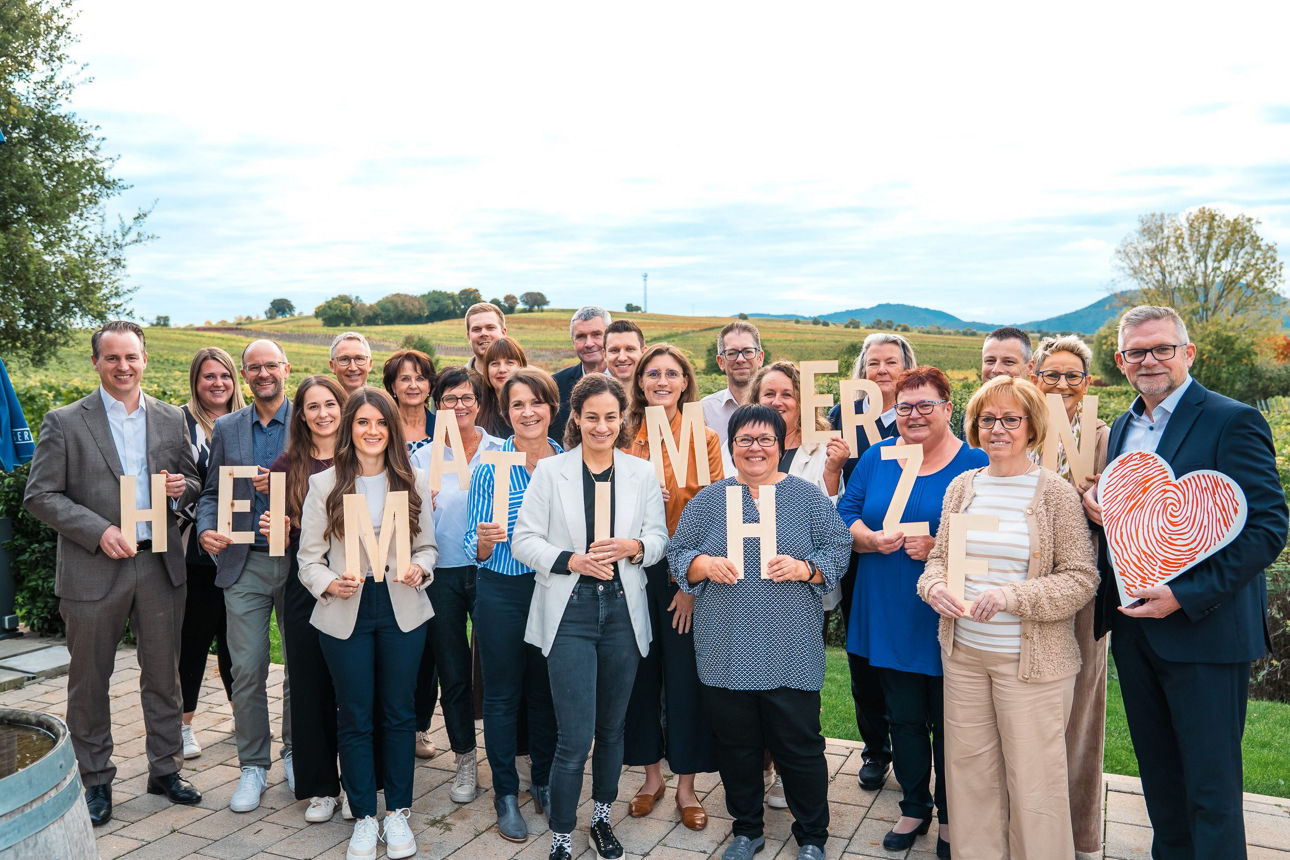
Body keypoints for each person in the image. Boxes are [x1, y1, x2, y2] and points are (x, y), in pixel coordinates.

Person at [1082, 306, 1287, 859]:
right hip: (1135, 632)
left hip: (1206, 633)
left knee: (1211, 791)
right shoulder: (1125, 426)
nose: (1149, 360)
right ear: (1121, 362)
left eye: (1162, 348)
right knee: (1161, 786)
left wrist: (1184, 596)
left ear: (1187, 353)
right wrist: (1105, 511)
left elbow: (1268, 528)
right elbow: (1144, 519)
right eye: (1136, 352)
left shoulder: (1232, 420)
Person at [24, 320, 203, 827]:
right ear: (96, 361)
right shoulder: (65, 421)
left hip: (158, 564)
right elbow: (40, 496)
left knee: (164, 675)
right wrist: (98, 530)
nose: (123, 366)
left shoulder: (171, 418)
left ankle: (165, 770)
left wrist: (181, 490)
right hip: (93, 568)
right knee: (89, 679)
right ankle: (96, 778)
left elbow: (191, 480)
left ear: (145, 359)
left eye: (132, 357)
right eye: (113, 358)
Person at [918, 375, 1099, 860]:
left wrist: (1011, 596)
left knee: (1035, 785)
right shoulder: (962, 486)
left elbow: (1082, 578)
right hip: (964, 657)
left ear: (1032, 426)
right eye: (987, 419)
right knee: (970, 776)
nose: (997, 428)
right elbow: (940, 558)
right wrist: (934, 586)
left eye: (1010, 419)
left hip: (1031, 664)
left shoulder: (1054, 493)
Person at [668, 404, 852, 860]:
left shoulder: (807, 498)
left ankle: (812, 836)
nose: (755, 448)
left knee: (801, 749)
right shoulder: (709, 501)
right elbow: (677, 553)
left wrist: (807, 568)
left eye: (765, 439)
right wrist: (702, 564)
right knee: (737, 748)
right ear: (731, 447)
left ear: (779, 445)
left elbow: (840, 547)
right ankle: (746, 829)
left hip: (790, 646)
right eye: (745, 440)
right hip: (726, 647)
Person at [513, 374, 670, 860]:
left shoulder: (641, 472)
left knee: (614, 729)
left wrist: (636, 546)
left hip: (623, 610)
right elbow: (524, 541)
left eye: (611, 417)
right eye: (592, 417)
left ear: (622, 419)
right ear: (575, 418)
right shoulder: (550, 471)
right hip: (570, 612)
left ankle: (601, 819)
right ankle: (563, 832)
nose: (601, 426)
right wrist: (571, 560)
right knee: (575, 736)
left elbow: (660, 540)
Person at [838, 366, 987, 857]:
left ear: (948, 408)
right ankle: (914, 805)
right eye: (905, 407)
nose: (915, 415)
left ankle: (952, 814)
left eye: (926, 405)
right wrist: (869, 538)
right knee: (901, 717)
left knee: (951, 723)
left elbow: (993, 535)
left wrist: (942, 544)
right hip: (886, 604)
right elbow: (846, 514)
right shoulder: (879, 458)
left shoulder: (977, 463)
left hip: (946, 612)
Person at [297, 387, 437, 860]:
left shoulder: (413, 480)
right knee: (353, 714)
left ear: (392, 428)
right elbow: (307, 559)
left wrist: (421, 568)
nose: (372, 431)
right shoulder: (325, 484)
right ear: (349, 429)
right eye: (362, 422)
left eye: (381, 422)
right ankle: (362, 815)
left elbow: (428, 548)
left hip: (402, 607)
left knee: (399, 712)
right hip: (346, 609)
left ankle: (397, 811)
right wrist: (329, 583)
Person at [623, 344, 725, 831]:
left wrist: (687, 582)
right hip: (633, 575)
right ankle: (650, 778)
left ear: (685, 382)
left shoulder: (703, 439)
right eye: (652, 373)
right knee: (642, 679)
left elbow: (713, 514)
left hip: (684, 577)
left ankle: (686, 786)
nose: (662, 380)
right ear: (640, 383)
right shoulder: (624, 439)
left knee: (685, 682)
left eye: (672, 373)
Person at [195, 339, 295, 812]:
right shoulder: (228, 426)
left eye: (270, 365)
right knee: (248, 667)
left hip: (299, 562)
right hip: (245, 561)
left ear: (285, 368)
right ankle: (253, 766)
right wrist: (206, 527)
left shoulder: (312, 416)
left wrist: (280, 490)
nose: (262, 374)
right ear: (245, 374)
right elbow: (213, 490)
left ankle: (298, 753)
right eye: (253, 367)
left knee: (303, 666)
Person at [464, 368, 562, 842]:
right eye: (518, 405)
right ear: (506, 412)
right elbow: (470, 544)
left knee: (544, 691)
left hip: (552, 589)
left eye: (537, 403)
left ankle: (542, 779)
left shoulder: (569, 462)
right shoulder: (489, 466)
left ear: (552, 408)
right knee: (502, 695)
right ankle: (505, 791)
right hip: (501, 589)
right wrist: (483, 543)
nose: (528, 412)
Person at [1030, 334, 1110, 859]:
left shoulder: (1107, 437)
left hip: (1083, 586)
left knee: (1080, 711)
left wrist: (1102, 498)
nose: (1061, 385)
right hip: (1019, 582)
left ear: (1087, 383)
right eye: (1051, 375)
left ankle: (1079, 837)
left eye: (1072, 376)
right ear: (1035, 377)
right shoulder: (1017, 426)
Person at [410, 366, 505, 803]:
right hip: (442, 572)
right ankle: (465, 759)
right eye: (450, 400)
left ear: (480, 403)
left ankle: (508, 756)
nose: (460, 406)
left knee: (500, 667)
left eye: (467, 398)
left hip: (493, 569)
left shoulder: (499, 450)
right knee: (452, 670)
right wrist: (417, 507)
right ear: (437, 407)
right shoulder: (421, 458)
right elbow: (403, 519)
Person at [826, 331, 915, 792]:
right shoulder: (845, 414)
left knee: (907, 653)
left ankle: (914, 748)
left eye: (891, 362)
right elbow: (838, 491)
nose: (882, 371)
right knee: (862, 657)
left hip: (911, 551)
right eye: (873, 363)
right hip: (860, 549)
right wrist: (835, 466)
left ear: (907, 368)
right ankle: (876, 750)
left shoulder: (919, 412)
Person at [260, 375, 348, 822]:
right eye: (312, 406)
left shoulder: (361, 457)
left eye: (330, 404)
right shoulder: (285, 465)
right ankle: (320, 787)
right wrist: (276, 528)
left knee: (352, 687)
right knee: (309, 685)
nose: (322, 413)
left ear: (342, 406)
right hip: (303, 587)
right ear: (301, 414)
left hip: (353, 584)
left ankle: (356, 781)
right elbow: (280, 539)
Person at [177, 347, 244, 759]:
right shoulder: (178, 423)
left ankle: (244, 716)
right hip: (196, 550)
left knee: (237, 639)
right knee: (195, 638)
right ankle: (183, 724)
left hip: (243, 548)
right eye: (208, 376)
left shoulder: (247, 422)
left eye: (225, 375)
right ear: (195, 381)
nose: (217, 383)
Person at [749, 360, 848, 498]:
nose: (776, 402)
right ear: (756, 401)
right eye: (769, 394)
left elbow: (831, 512)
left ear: (802, 402)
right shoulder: (735, 445)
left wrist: (832, 472)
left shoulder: (823, 454)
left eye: (787, 395)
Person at [700, 320, 764, 448]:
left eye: (748, 351)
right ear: (720, 362)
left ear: (760, 358)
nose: (740, 359)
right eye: (732, 353)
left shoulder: (776, 405)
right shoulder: (704, 411)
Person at [552, 306, 611, 442]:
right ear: (573, 342)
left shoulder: (630, 381)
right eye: (581, 337)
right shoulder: (555, 385)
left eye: (596, 334)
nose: (589, 343)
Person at [382, 349, 437, 455]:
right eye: (405, 379)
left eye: (420, 379)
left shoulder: (443, 427)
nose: (413, 385)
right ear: (393, 386)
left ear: (429, 385)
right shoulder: (383, 426)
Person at [477, 335, 528, 439]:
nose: (502, 369)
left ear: (521, 366)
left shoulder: (536, 407)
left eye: (510, 363)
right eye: (495, 364)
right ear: (486, 370)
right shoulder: (477, 410)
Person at [464, 301, 507, 378]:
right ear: (468, 337)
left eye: (490, 328)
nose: (483, 333)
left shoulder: (527, 381)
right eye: (477, 329)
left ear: (503, 333)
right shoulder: (457, 383)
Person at [604, 319, 646, 390]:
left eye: (630, 349)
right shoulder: (590, 397)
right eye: (614, 350)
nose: (622, 358)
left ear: (643, 353)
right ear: (604, 355)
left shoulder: (657, 397)